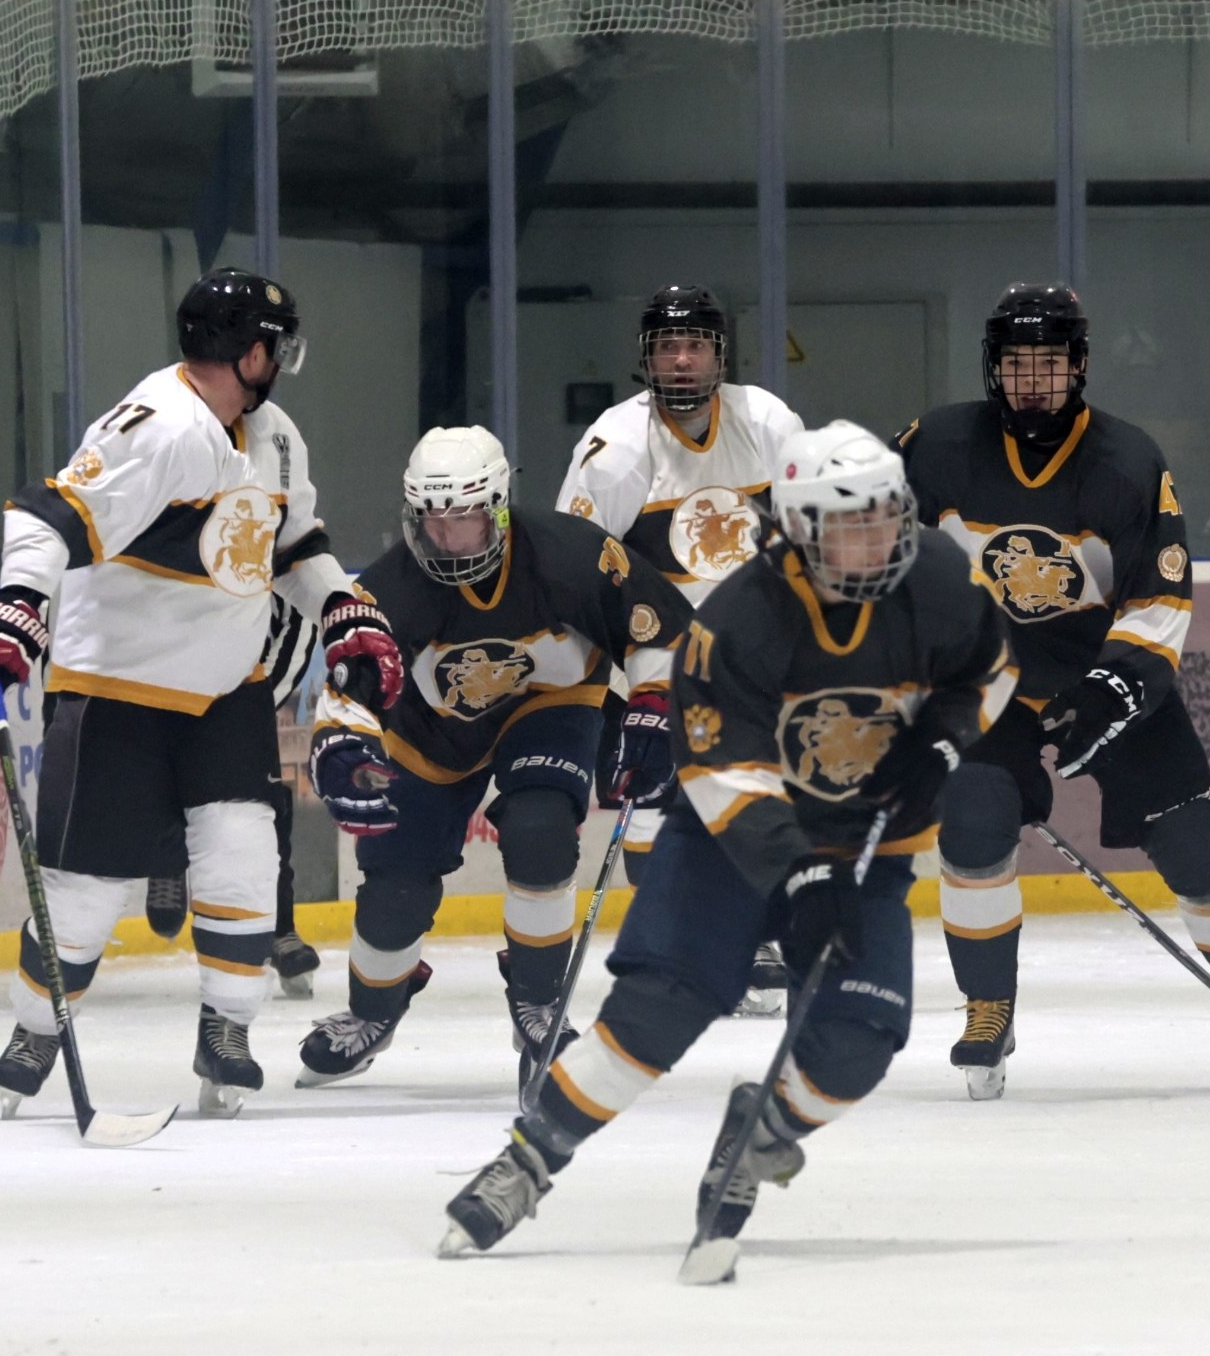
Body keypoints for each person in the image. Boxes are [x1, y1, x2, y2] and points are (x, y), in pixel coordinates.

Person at [439, 422, 1016, 1269]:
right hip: (726, 847)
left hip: (865, 848)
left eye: (886, 518)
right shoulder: (740, 619)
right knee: (654, 1014)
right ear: (798, 531)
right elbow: (722, 772)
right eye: (851, 526)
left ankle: (764, 1128)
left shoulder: (935, 576)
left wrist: (942, 740)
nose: (877, 541)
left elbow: (990, 666)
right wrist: (800, 875)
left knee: (859, 1040)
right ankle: (528, 1159)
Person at [0, 267, 402, 1118]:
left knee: (243, 856)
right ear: (248, 351)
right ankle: (37, 1027)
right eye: (273, 345)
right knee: (84, 892)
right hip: (117, 688)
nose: (280, 360)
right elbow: (48, 514)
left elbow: (293, 543)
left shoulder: (274, 436)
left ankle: (226, 1030)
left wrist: (340, 605)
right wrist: (16, 604)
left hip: (229, 688)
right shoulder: (158, 427)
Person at [896, 282, 1210, 1098]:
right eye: (1018, 364)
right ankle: (989, 1006)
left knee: (1194, 842)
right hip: (984, 682)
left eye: (1050, 363)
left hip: (1101, 675)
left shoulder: (1126, 461)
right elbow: (877, 560)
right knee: (973, 826)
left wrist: (1112, 687)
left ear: (1080, 366)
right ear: (993, 367)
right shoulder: (936, 447)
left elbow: (1158, 596)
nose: (1034, 382)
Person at [295, 426, 692, 1087]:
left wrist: (653, 705)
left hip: (551, 702)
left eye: (465, 519)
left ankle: (537, 1002)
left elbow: (658, 628)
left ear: (499, 509)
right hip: (432, 728)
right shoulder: (391, 589)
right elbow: (352, 687)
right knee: (394, 888)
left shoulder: (571, 553)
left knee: (541, 830)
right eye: (434, 521)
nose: (448, 539)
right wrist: (340, 742)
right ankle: (374, 1010)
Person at [557, 284, 804, 1016]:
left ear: (721, 355)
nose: (683, 360)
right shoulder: (616, 447)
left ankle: (753, 939)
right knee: (655, 806)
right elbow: (576, 563)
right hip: (653, 663)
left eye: (696, 345)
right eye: (668, 346)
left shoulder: (768, 423)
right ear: (647, 357)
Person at [141, 594, 322, 997]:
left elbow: (297, 629)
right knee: (151, 774)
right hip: (157, 685)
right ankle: (166, 852)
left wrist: (246, 706)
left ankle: (280, 928)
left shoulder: (279, 571)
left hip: (241, 697)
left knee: (261, 804)